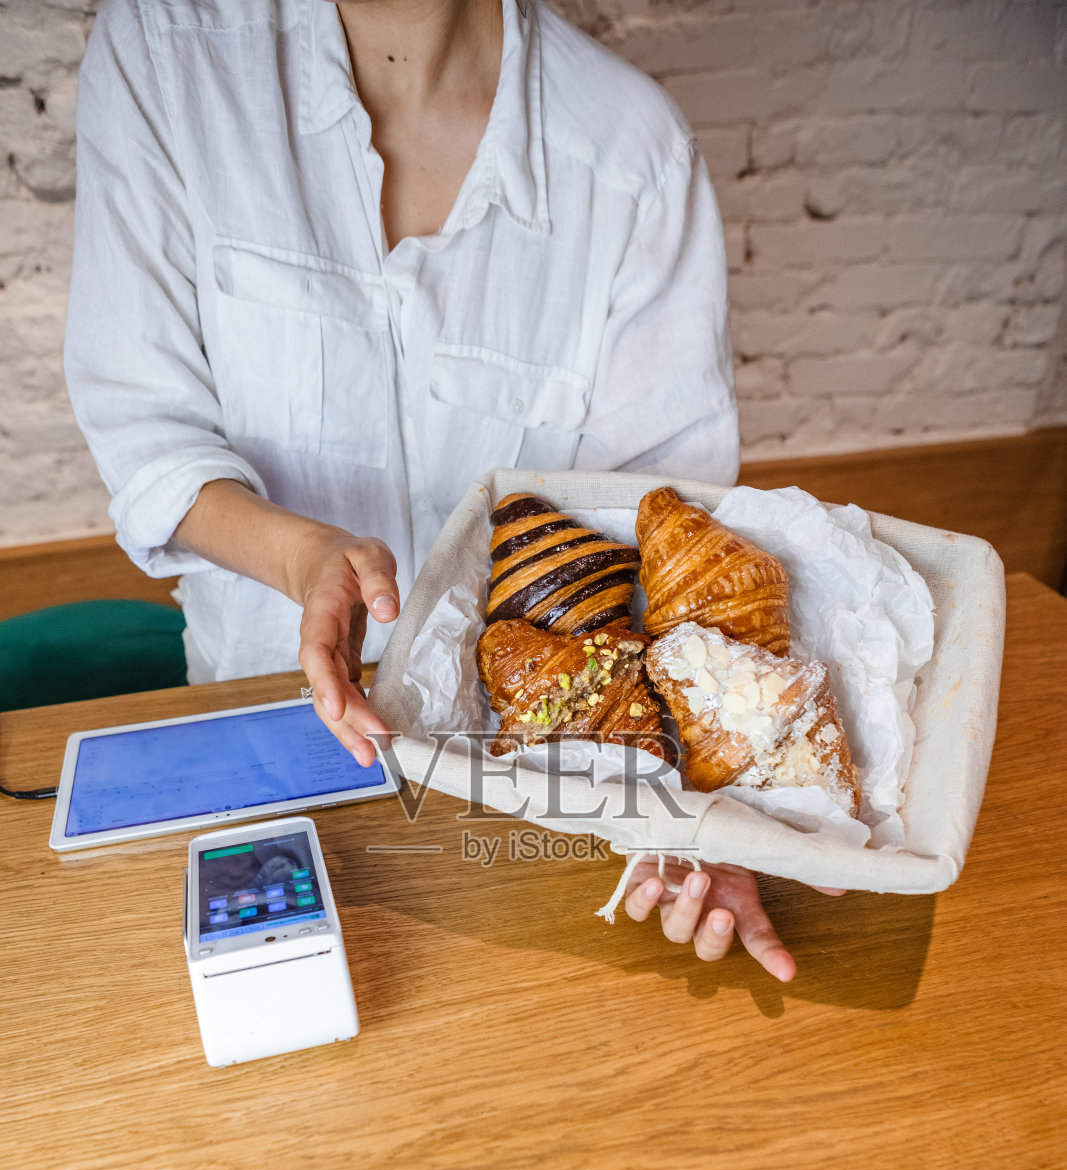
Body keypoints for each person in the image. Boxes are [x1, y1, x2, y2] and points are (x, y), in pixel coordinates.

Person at [65, 0, 841, 981]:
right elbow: (147, 435)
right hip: (272, 747)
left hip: (546, 786)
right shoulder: (167, 51)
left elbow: (658, 549)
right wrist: (305, 560)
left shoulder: (630, 153)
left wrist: (693, 812)